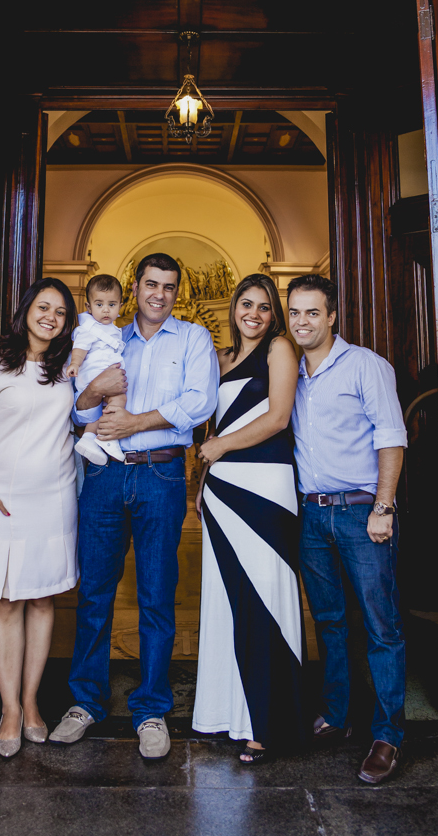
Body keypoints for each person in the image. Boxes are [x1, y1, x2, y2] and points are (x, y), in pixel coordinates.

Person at [49, 253, 219, 760]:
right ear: (135, 288)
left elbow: (200, 402)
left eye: (169, 286)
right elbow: (74, 406)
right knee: (95, 591)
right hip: (103, 472)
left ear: (176, 293)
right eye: (151, 284)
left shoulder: (192, 339)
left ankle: (150, 709)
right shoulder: (104, 334)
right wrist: (92, 395)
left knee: (156, 593)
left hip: (161, 472)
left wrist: (134, 422)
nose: (159, 294)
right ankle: (85, 703)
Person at [287, 273, 407, 785]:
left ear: (332, 316)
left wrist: (383, 506)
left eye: (313, 312)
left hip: (362, 512)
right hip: (311, 514)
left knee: (381, 627)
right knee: (330, 621)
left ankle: (387, 736)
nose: (302, 322)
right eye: (295, 313)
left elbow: (391, 437)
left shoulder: (365, 366)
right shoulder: (288, 372)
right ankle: (337, 715)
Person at [0, 278, 78, 758]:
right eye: (43, 307)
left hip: (54, 498)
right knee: (5, 601)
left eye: (61, 312)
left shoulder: (68, 368)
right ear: (26, 309)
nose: (51, 316)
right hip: (0, 499)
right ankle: (8, 707)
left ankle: (32, 703)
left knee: (43, 600)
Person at [193, 273, 303, 764]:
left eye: (263, 306)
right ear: (233, 308)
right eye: (246, 304)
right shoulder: (220, 360)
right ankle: (225, 714)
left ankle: (270, 722)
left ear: (272, 313)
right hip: (220, 490)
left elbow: (278, 417)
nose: (253, 314)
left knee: (266, 599)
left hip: (265, 488)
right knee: (227, 600)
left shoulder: (280, 348)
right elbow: (215, 424)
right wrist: (200, 488)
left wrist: (218, 446)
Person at [67, 273, 127, 466]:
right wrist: (75, 364)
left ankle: (89, 438)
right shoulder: (88, 328)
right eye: (99, 304)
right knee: (119, 398)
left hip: (104, 373)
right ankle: (108, 438)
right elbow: (80, 348)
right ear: (88, 307)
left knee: (103, 408)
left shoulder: (114, 329)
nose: (106, 310)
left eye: (112, 304)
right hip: (94, 375)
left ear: (120, 306)